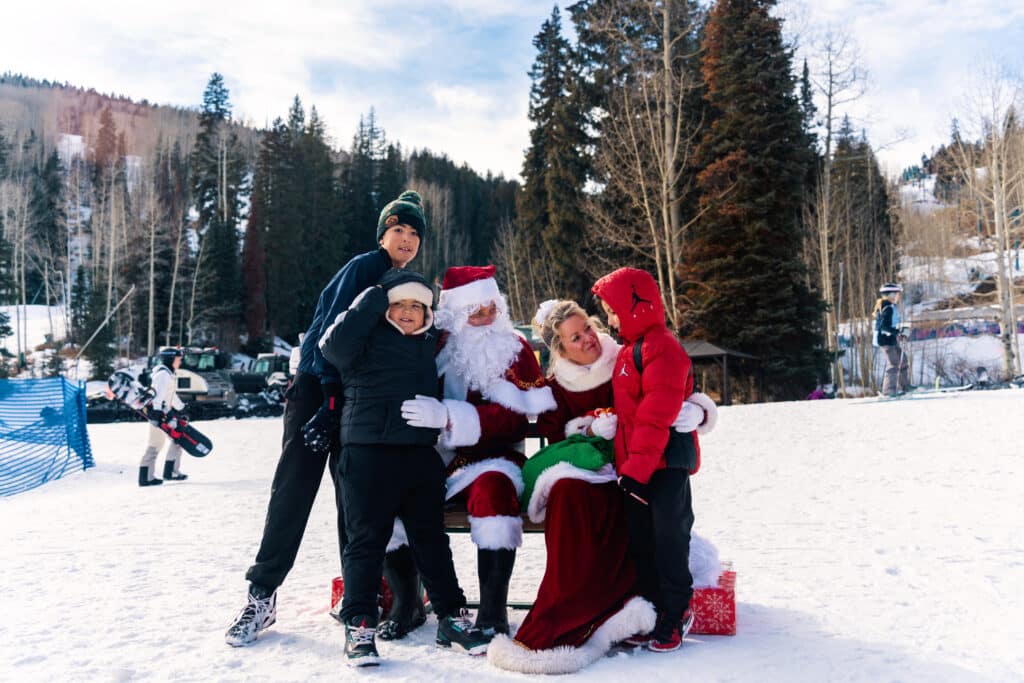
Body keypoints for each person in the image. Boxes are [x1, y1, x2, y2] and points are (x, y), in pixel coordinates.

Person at [225, 190, 428, 647]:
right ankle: (262, 595)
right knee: (293, 491)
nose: (407, 239)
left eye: (415, 233)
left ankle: (361, 595)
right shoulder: (365, 268)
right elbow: (325, 337)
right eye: (398, 229)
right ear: (383, 233)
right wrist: (327, 401)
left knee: (354, 501)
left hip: (352, 402)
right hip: (317, 391)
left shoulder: (404, 285)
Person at [487, 299, 718, 673]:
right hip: (590, 469)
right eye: (575, 338)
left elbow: (672, 387)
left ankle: (645, 603)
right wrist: (587, 428)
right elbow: (552, 432)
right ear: (560, 348)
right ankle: (576, 607)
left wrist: (700, 411)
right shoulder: (557, 386)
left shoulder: (628, 359)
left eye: (589, 329)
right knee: (569, 496)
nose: (588, 340)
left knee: (643, 506)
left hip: (641, 465)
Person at [319, 268, 492, 666]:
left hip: (417, 455)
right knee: (365, 542)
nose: (409, 312)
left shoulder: (430, 341)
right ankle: (360, 623)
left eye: (418, 305)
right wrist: (375, 297)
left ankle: (450, 616)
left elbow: (469, 325)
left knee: (431, 541)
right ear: (385, 307)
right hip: (367, 453)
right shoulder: (363, 337)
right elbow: (332, 348)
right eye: (400, 305)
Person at [398, 265, 556, 636]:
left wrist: (450, 416)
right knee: (392, 493)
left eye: (491, 309)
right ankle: (406, 604)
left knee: (493, 492)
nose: (486, 318)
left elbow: (519, 418)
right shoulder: (435, 348)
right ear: (456, 314)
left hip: (497, 457)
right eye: (475, 311)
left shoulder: (514, 348)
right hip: (437, 460)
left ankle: (492, 609)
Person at [592, 267, 700, 653]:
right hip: (637, 467)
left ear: (633, 305)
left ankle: (676, 612)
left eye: (613, 310)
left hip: (665, 464)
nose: (609, 318)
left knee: (669, 538)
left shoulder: (663, 347)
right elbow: (631, 413)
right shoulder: (627, 350)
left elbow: (657, 414)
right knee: (643, 542)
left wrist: (635, 471)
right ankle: (653, 612)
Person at [139, 347, 187, 487]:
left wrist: (182, 407)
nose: (180, 362)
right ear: (171, 359)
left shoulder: (168, 374)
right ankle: (145, 478)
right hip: (159, 415)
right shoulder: (162, 375)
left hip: (166, 413)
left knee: (177, 440)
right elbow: (158, 395)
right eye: (178, 359)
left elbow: (170, 394)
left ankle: (171, 472)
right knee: (155, 444)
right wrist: (157, 413)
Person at [873, 282, 910, 396]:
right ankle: (888, 391)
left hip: (891, 339)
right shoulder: (887, 307)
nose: (898, 296)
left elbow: (891, 325)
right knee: (893, 364)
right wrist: (899, 331)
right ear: (891, 295)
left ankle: (905, 387)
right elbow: (884, 326)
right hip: (885, 340)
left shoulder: (890, 306)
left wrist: (901, 330)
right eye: (897, 294)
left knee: (903, 361)